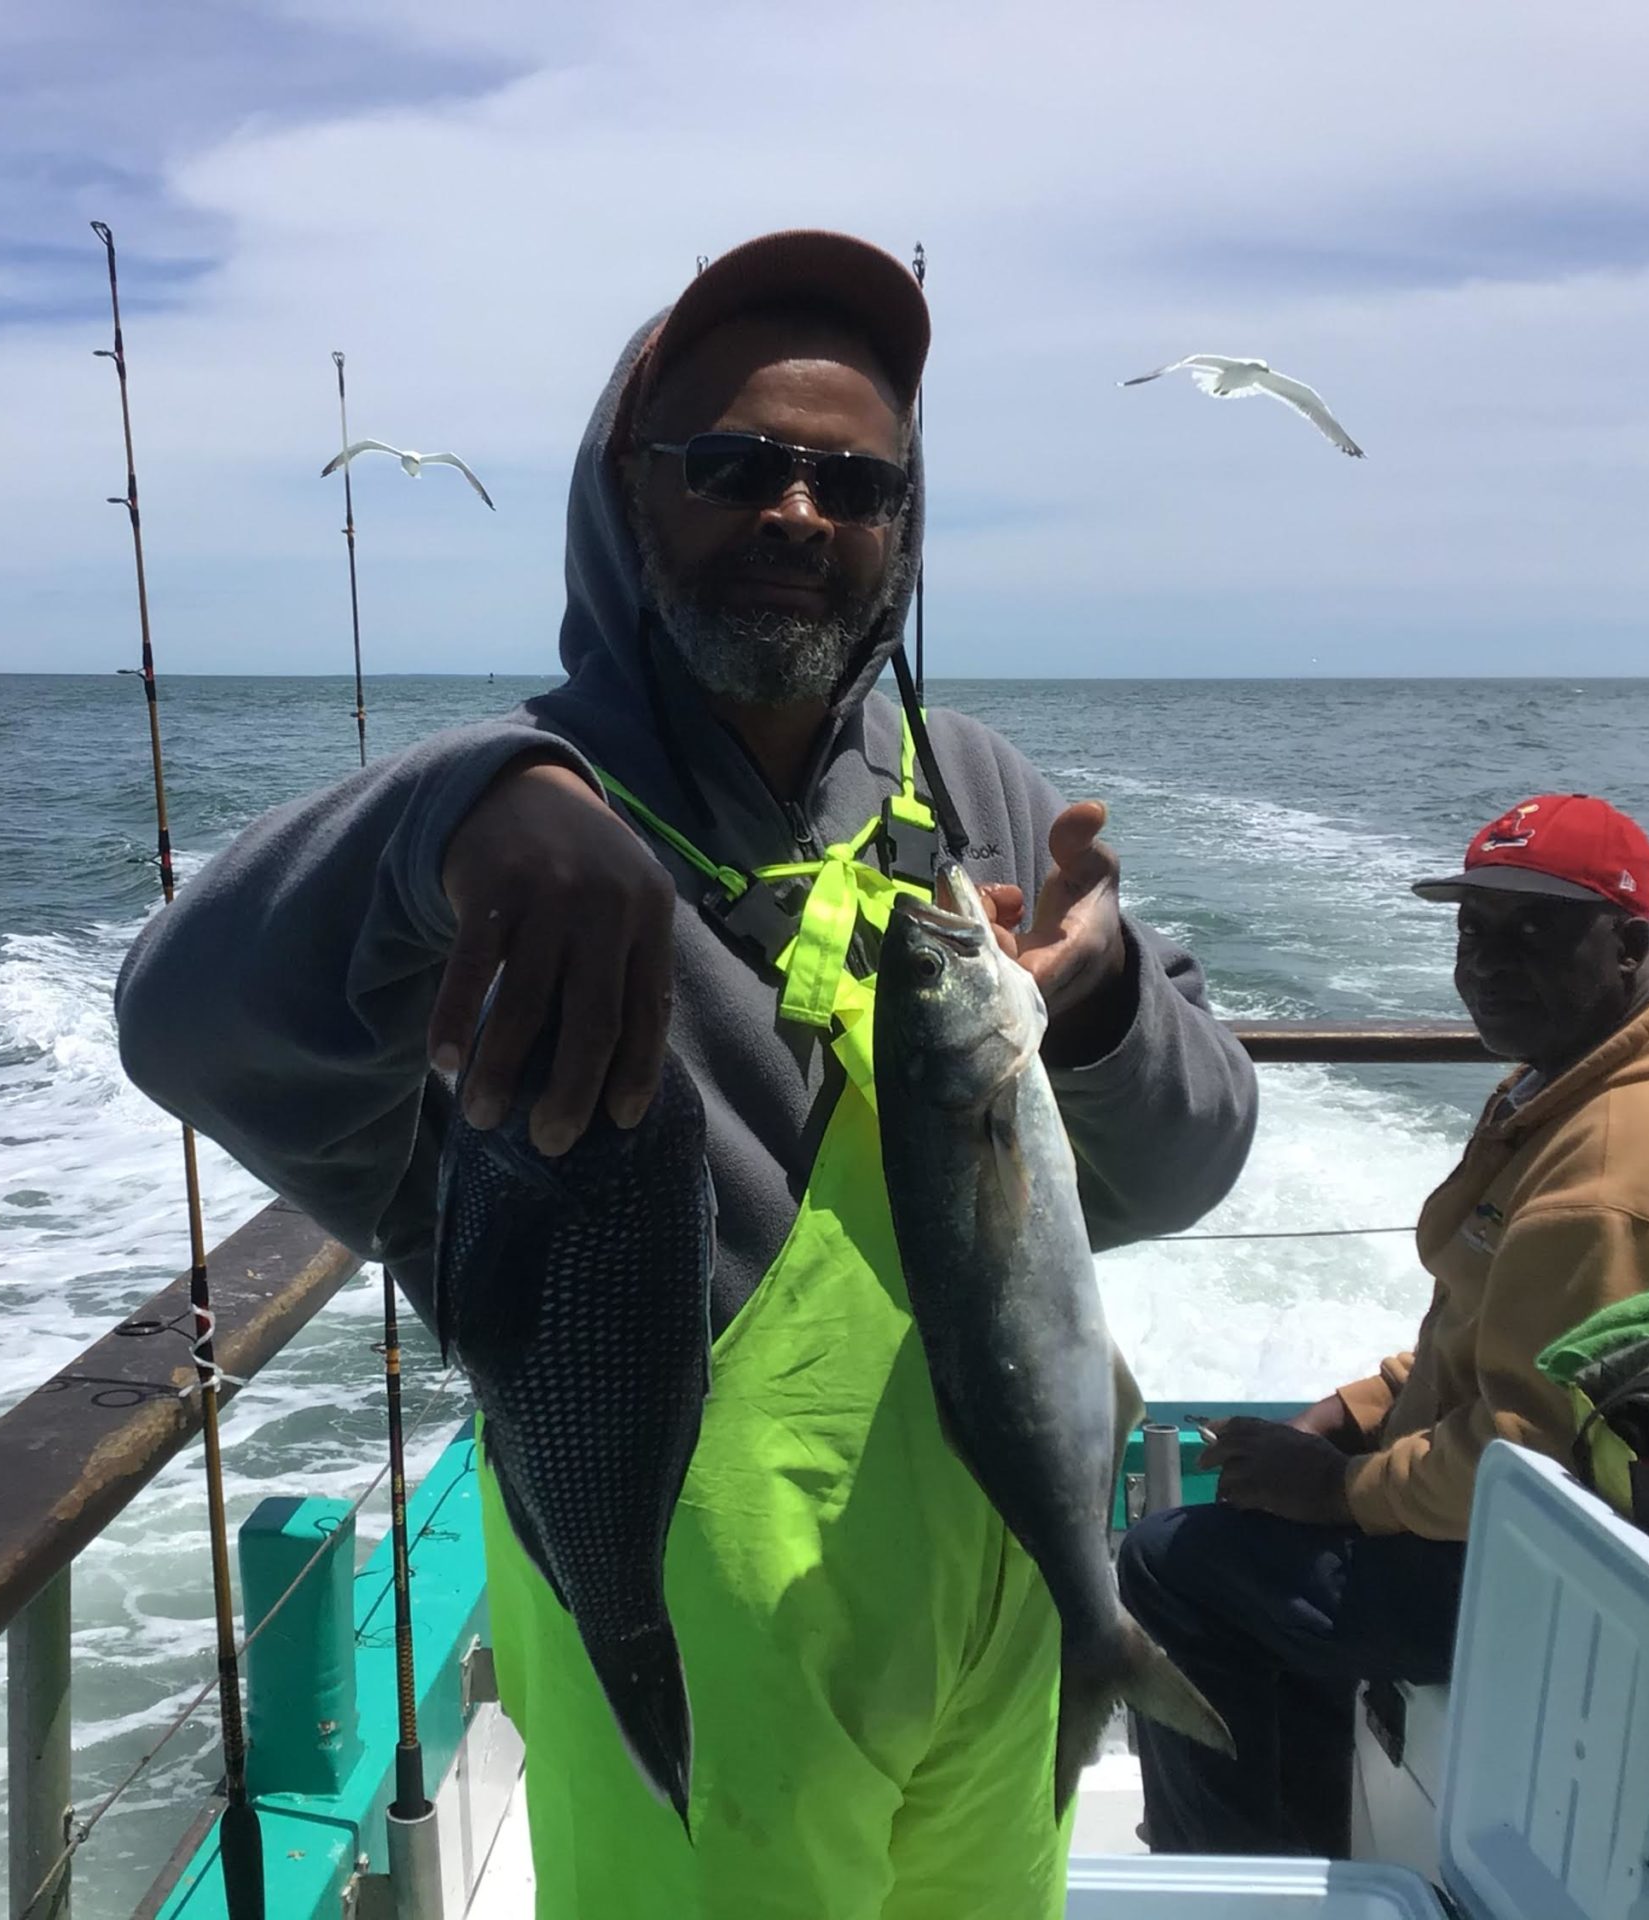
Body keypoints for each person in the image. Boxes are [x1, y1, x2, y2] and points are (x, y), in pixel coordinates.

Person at [113, 230, 1258, 1916]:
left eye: (856, 485)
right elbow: (182, 1017)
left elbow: (1194, 1161)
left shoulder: (981, 802)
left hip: (1010, 1620)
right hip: (686, 1669)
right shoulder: (494, 849)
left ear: (903, 533)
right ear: (623, 498)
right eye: (732, 467)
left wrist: (1089, 1025)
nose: (797, 513)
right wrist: (462, 814)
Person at [1119, 792, 1649, 1859]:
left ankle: (1248, 1867)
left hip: (1612, 1583)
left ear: (1628, 944)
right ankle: (1306, 1842)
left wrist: (1342, 1491)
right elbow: (1503, 1331)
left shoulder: (1617, 1162)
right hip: (1578, 1528)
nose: (1488, 963)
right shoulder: (1575, 1083)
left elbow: (1541, 1462)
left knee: (1172, 1560)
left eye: (1533, 933)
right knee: (1252, 1550)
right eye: (1473, 931)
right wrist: (1351, 1415)